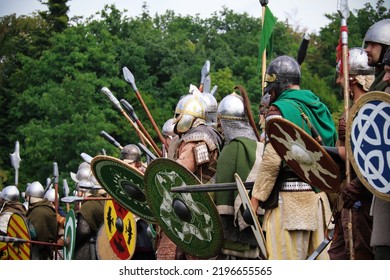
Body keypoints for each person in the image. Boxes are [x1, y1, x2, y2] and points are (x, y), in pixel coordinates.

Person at [250, 55, 337, 260]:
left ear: (278, 83)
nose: (270, 92)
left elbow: (273, 160)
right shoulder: (319, 107)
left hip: (289, 206)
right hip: (320, 204)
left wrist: (254, 201)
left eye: (271, 86)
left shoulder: (278, 110)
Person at [156, 85, 224, 260]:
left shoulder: (196, 139)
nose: (176, 119)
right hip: (196, 207)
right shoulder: (209, 134)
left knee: (175, 255)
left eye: (178, 115)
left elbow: (177, 173)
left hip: (187, 210)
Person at [341, 19, 390, 260]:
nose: (367, 49)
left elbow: (383, 147)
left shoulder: (384, 88)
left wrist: (359, 184)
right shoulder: (381, 82)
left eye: (372, 44)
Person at [328, 47, 375, 260]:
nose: (339, 82)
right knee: (339, 255)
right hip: (346, 197)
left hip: (362, 196)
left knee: (359, 256)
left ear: (353, 80)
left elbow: (360, 156)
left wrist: (319, 151)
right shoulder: (352, 109)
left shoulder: (370, 108)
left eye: (341, 76)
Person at [214, 91, 264, 259]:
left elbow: (221, 189)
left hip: (231, 234)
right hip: (257, 227)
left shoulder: (231, 149)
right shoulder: (256, 145)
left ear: (224, 122)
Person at [120, 144, 156, 260]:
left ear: (138, 163)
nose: (125, 166)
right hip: (124, 229)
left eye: (129, 164)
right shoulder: (121, 178)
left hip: (144, 229)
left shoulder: (146, 178)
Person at [72, 164, 106, 260]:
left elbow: (83, 230)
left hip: (90, 250)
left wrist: (72, 241)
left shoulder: (88, 206)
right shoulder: (107, 202)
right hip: (104, 249)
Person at [25, 181, 58, 260]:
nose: (26, 199)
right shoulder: (48, 208)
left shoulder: (37, 211)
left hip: (38, 252)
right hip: (47, 250)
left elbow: (32, 234)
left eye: (26, 197)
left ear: (30, 197)